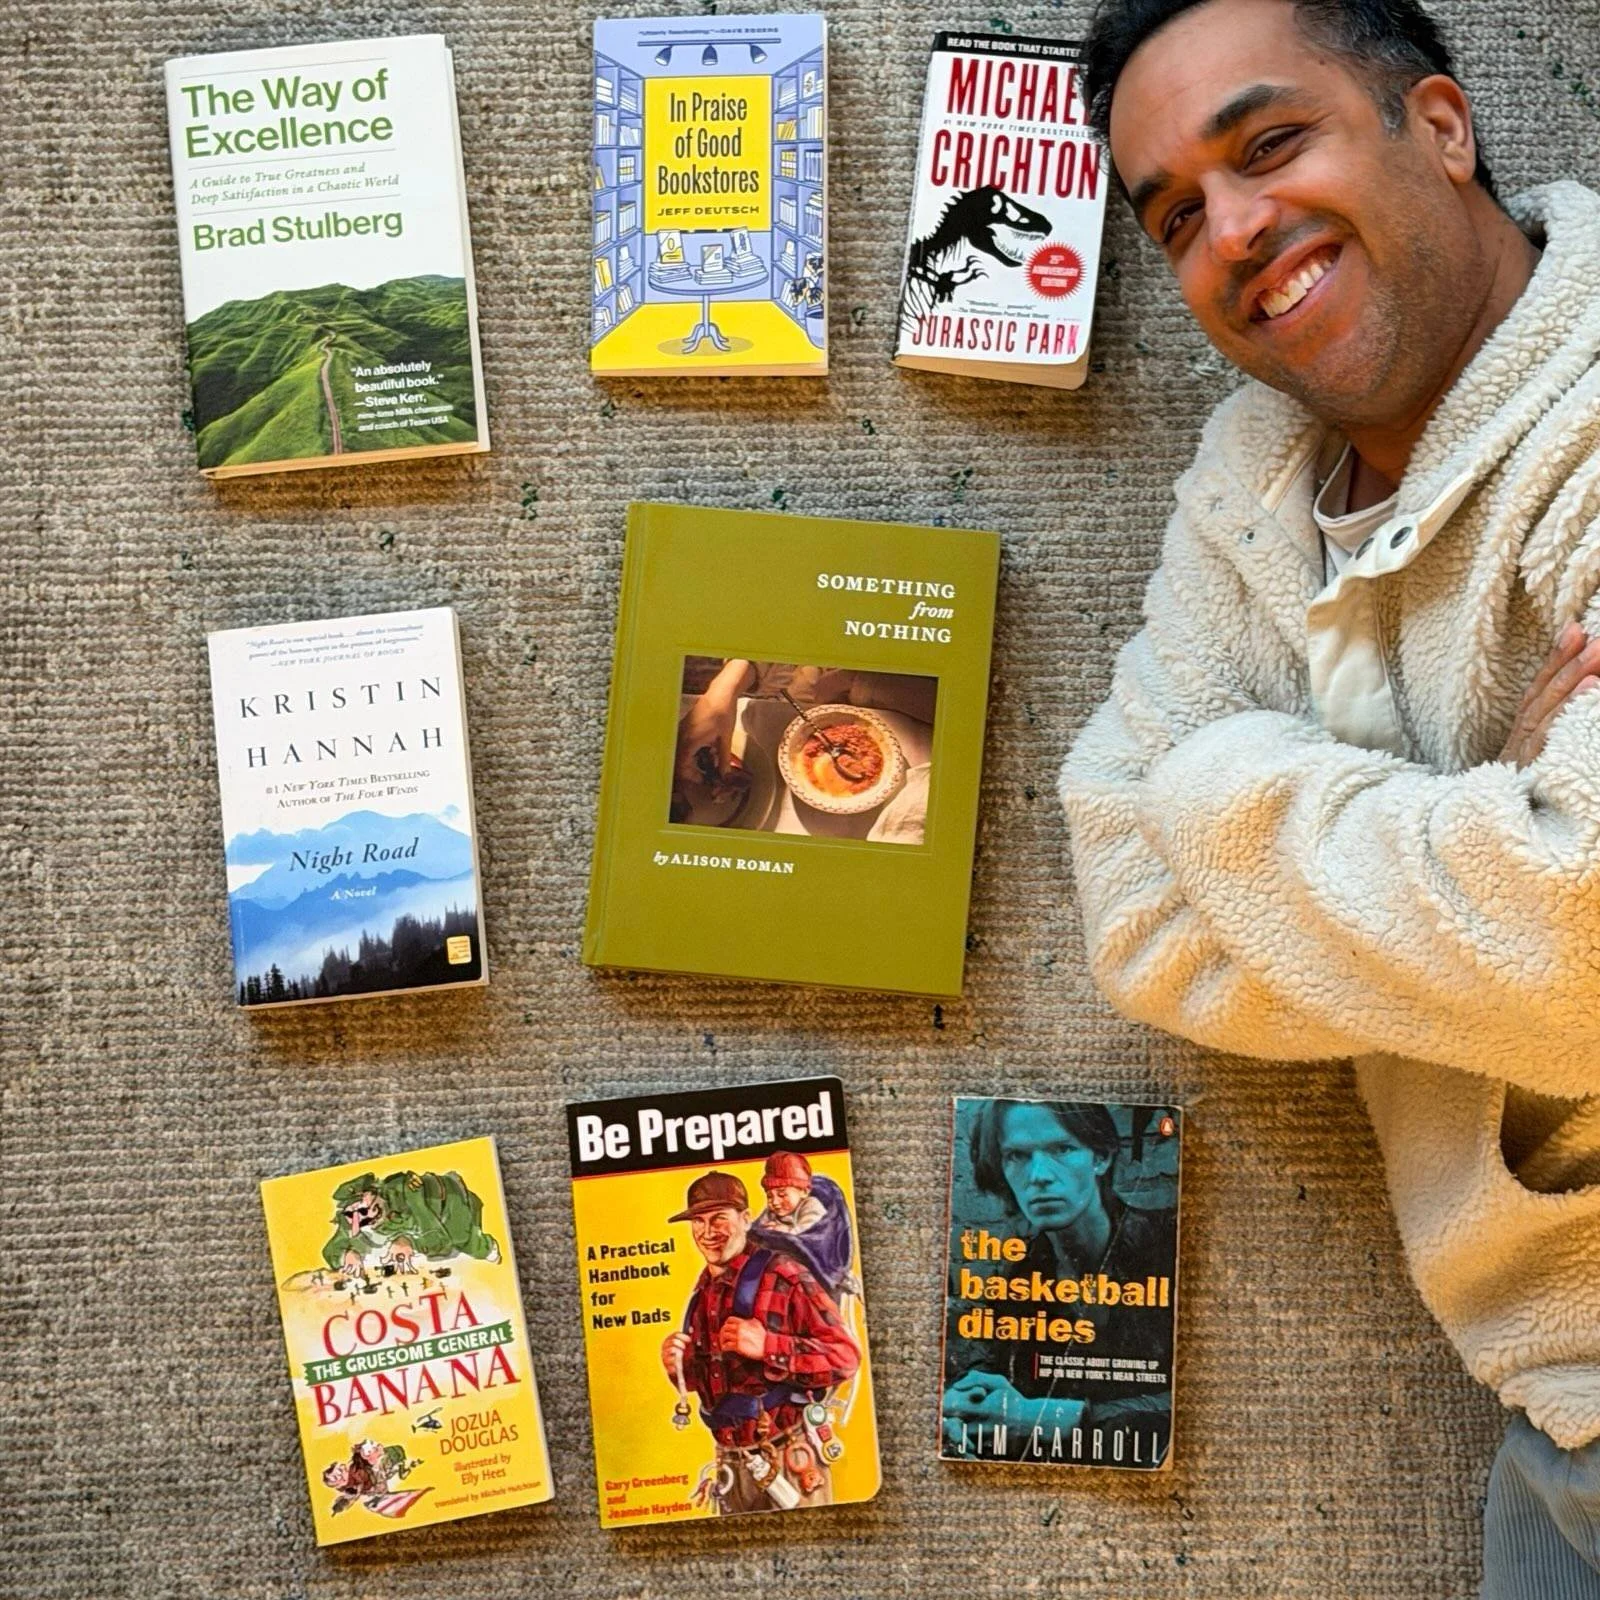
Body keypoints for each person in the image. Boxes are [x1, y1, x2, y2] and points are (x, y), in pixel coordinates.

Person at [1061, 0, 1600, 1590]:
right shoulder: (1257, 488)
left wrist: (1218, 789)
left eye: (1270, 143)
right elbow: (1134, 914)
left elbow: (1580, 946)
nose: (1233, 230)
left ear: (1440, 125)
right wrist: (1491, 804)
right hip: (1556, 1423)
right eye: (1175, 216)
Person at [940, 1101, 1174, 1465]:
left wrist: (1058, 1419)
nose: (1039, 1176)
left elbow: (1200, 1402)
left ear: (1100, 1157)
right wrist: (969, 1407)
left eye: (1062, 1149)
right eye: (1016, 1156)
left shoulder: (1168, 1242)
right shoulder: (1020, 1276)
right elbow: (1007, 1378)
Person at [658, 1171, 859, 1515]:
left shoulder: (784, 1275)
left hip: (790, 1460)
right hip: (730, 1467)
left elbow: (845, 1357)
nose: (707, 1232)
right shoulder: (702, 1292)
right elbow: (716, 1381)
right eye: (698, 1221)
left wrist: (769, 1346)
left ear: (746, 1219)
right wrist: (679, 1366)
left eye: (719, 1218)